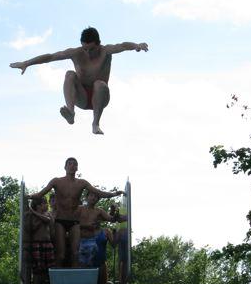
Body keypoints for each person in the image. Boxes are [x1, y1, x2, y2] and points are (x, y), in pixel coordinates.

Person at [10, 27, 149, 134]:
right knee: (70, 74)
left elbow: (123, 46)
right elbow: (51, 57)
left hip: (100, 97)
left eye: (91, 49)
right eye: (85, 49)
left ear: (99, 44)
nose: (88, 53)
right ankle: (71, 113)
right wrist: (27, 63)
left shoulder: (106, 51)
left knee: (99, 84)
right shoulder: (76, 53)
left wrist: (137, 45)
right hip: (81, 97)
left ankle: (95, 124)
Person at [29, 157, 123, 268]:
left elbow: (98, 192)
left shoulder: (82, 183)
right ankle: (58, 277)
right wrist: (28, 197)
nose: (72, 166)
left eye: (74, 164)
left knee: (75, 253)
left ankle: (75, 276)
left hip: (74, 221)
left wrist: (114, 194)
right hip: (60, 220)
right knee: (61, 254)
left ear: (77, 168)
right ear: (65, 167)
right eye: (69, 164)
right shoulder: (56, 181)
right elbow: (40, 194)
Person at [27, 196, 55, 284]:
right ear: (39, 205)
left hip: (47, 243)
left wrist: (34, 212)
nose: (47, 205)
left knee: (49, 271)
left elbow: (47, 220)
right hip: (37, 244)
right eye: (44, 203)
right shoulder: (32, 217)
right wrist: (36, 215)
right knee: (38, 271)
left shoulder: (48, 214)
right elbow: (32, 228)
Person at [78, 192, 115, 269]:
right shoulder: (79, 208)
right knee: (80, 265)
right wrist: (86, 226)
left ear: (98, 200)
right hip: (79, 240)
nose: (93, 198)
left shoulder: (99, 211)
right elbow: (73, 222)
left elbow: (111, 219)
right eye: (91, 195)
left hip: (91, 240)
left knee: (92, 265)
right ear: (86, 197)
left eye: (96, 197)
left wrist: (113, 211)